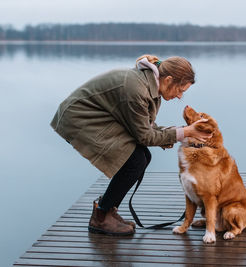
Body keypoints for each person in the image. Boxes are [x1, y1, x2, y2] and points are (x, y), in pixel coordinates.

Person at [50, 54, 211, 236]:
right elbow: (144, 136)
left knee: (143, 156)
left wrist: (182, 132)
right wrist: (186, 132)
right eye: (180, 90)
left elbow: (146, 127)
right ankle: (101, 217)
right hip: (80, 118)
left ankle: (108, 209)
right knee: (134, 160)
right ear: (168, 80)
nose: (180, 96)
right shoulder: (137, 90)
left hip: (102, 115)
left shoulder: (150, 86)